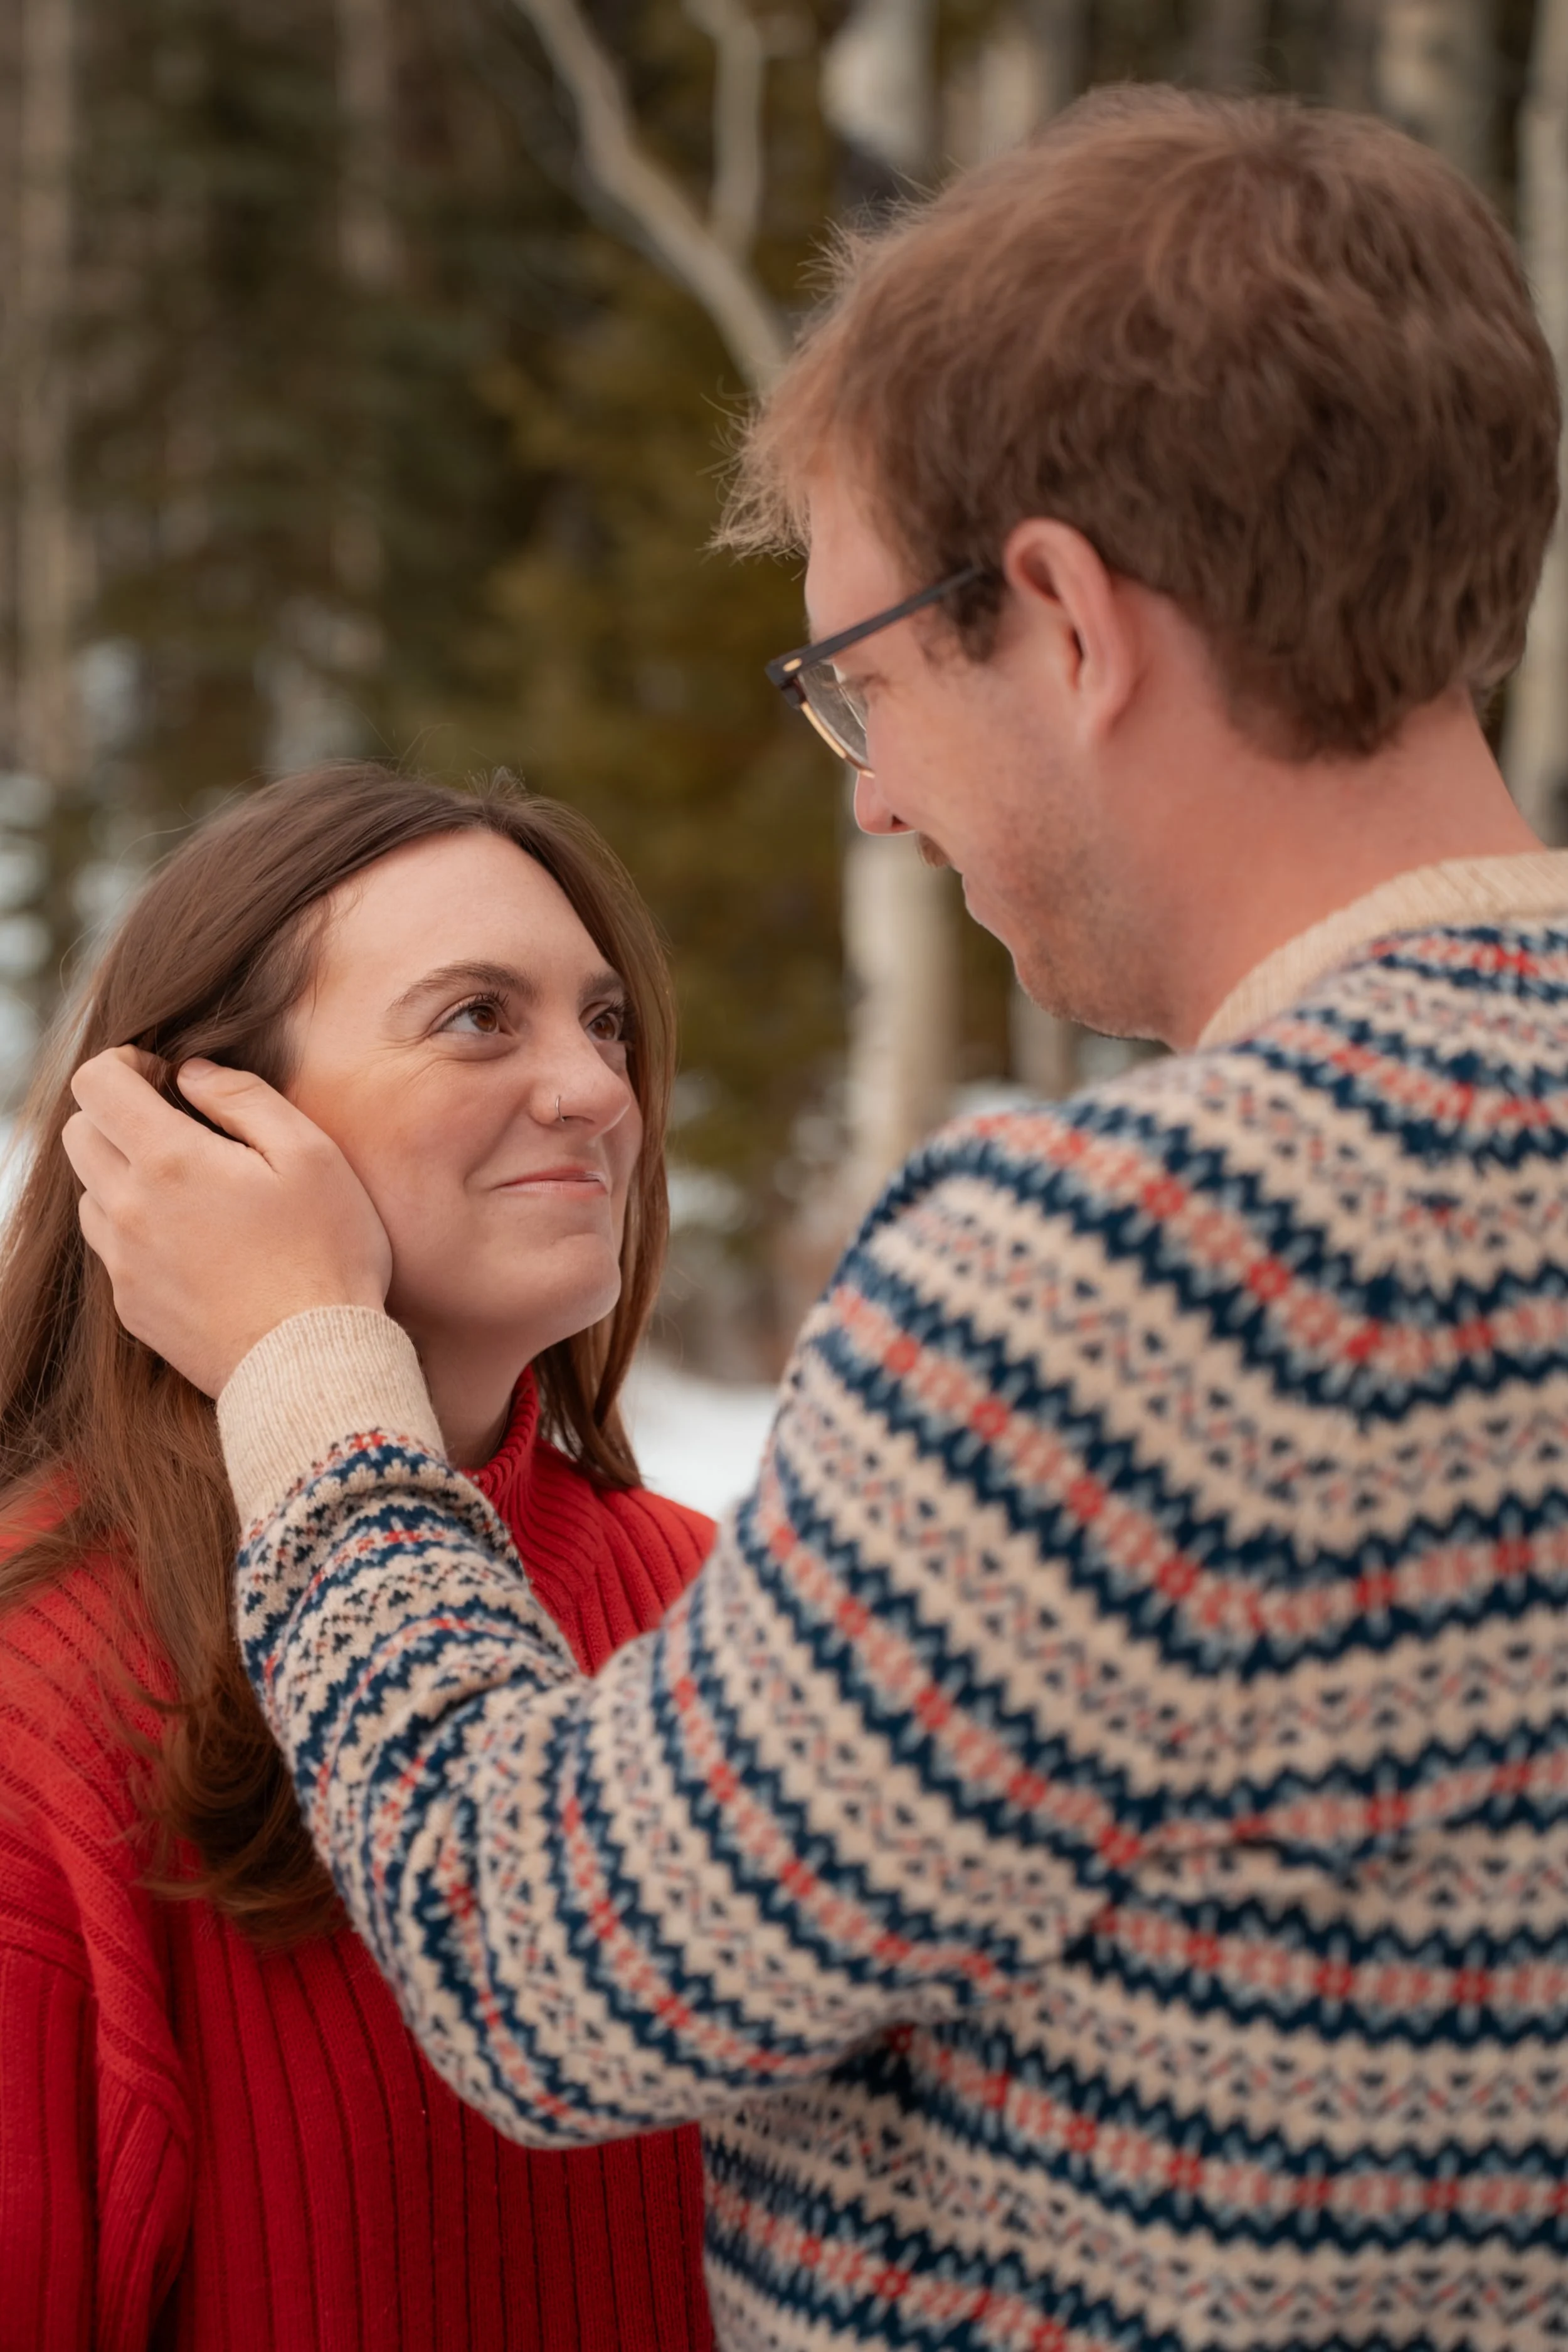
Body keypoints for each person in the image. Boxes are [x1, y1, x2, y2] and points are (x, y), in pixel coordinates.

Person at [64, 89, 1568, 2352]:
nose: (871, 794)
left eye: (865, 676)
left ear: (1058, 615)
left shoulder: (1133, 1278)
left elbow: (545, 1958)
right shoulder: (57, 1689)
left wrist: (302, 1365)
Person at [0, 766, 716, 2351]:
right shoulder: (39, 1692)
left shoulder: (719, 1600)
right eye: (476, 1016)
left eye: (603, 1023)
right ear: (201, 1127)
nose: (600, 1090)